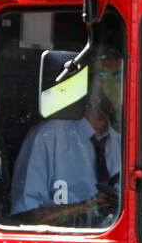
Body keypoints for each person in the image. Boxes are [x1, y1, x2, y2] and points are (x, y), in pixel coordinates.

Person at [10, 46, 122, 228]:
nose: (117, 87)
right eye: (106, 77)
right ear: (85, 85)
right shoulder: (47, 137)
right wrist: (85, 207)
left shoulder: (121, 143)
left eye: (120, 77)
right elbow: (26, 216)